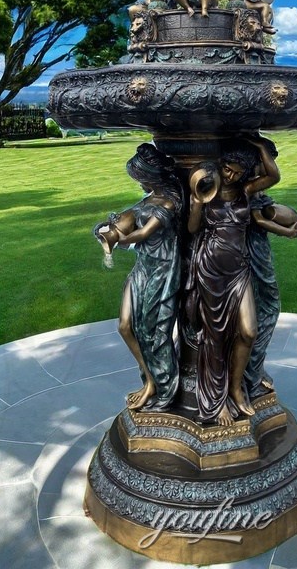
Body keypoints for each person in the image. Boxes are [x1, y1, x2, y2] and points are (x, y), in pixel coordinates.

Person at [186, 137, 281, 426]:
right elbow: (192, 229)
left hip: (239, 270)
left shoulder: (246, 191)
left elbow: (273, 176)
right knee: (215, 339)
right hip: (211, 271)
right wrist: (197, 205)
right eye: (228, 168)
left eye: (238, 171)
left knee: (248, 331)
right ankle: (216, 402)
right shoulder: (207, 191)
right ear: (220, 164)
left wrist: (261, 148)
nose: (231, 175)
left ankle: (237, 389)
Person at [95, 144, 183, 411]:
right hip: (144, 266)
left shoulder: (168, 202)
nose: (138, 183)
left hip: (162, 269)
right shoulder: (146, 200)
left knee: (154, 331)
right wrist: (105, 229)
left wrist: (115, 237)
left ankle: (161, 385)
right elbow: (128, 221)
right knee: (125, 325)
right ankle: (149, 379)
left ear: (150, 177)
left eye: (140, 178)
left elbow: (141, 235)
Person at [245, 190, 297, 399]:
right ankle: (249, 371)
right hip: (247, 258)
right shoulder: (245, 191)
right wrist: (287, 231)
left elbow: (276, 215)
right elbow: (261, 217)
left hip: (243, 255)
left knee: (261, 310)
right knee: (264, 309)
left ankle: (250, 369)